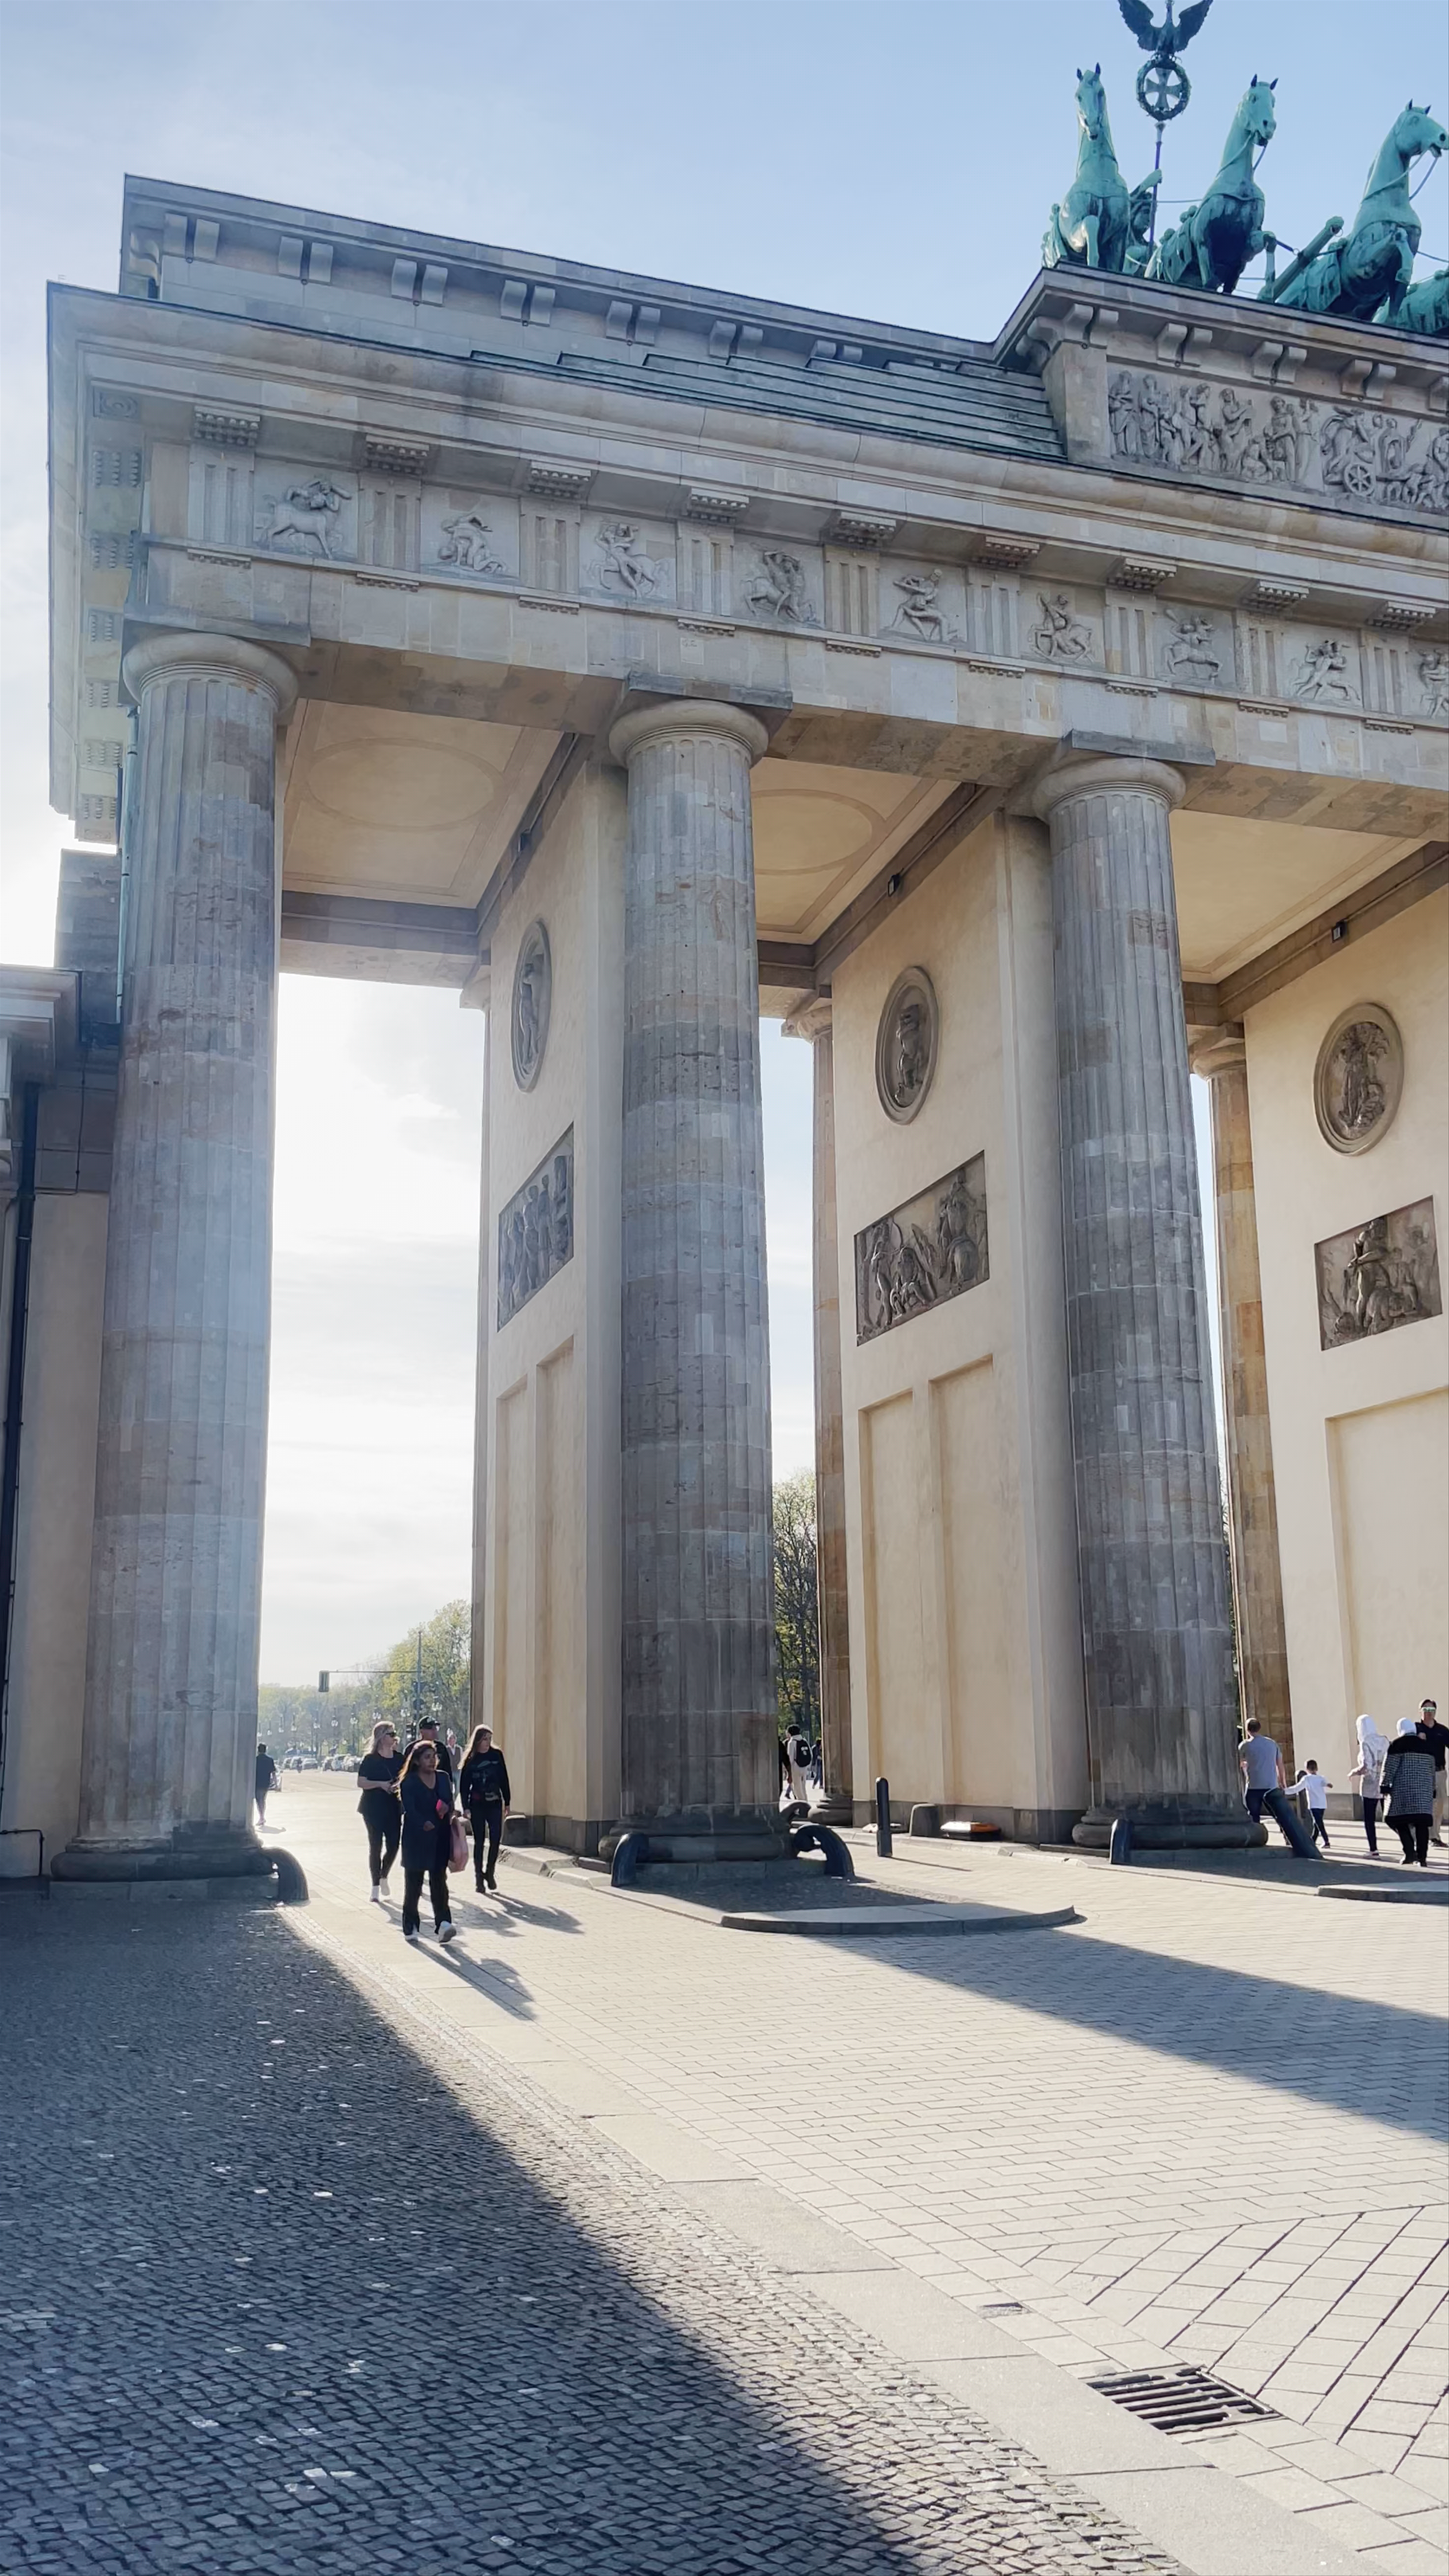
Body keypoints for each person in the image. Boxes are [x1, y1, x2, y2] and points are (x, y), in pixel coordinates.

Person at [397, 1736, 459, 1941]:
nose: (432, 1761)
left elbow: (449, 1801)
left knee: (439, 1882)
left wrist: (448, 1809)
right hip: (416, 1838)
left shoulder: (442, 1778)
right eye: (427, 1757)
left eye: (434, 1757)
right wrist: (423, 1823)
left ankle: (443, 1924)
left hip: (439, 1837)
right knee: (414, 1884)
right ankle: (411, 1926)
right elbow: (410, 1810)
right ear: (417, 1761)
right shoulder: (409, 1781)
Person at [459, 1724, 511, 1894]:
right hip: (477, 1804)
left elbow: (504, 1778)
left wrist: (508, 1801)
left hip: (495, 1802)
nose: (488, 1742)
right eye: (485, 1739)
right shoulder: (471, 1760)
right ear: (478, 1740)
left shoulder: (497, 1756)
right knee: (480, 1841)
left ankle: (490, 1872)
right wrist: (466, 1807)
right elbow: (464, 1786)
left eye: (490, 1739)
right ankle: (478, 1878)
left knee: (496, 1839)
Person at [357, 1719, 403, 1902]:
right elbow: (361, 1782)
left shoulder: (400, 1759)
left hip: (393, 1806)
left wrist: (397, 1786)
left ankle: (384, 1875)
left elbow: (406, 1777)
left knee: (394, 1845)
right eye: (390, 1734)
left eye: (394, 1734)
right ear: (381, 1737)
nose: (394, 1737)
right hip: (372, 1808)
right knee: (376, 1846)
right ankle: (375, 1886)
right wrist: (381, 1785)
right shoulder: (371, 1759)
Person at [1237, 1716, 1301, 1847]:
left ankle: (1256, 1840)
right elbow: (1280, 1765)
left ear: (1247, 1730)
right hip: (1271, 1786)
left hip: (1254, 1786)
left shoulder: (1245, 1745)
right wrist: (1283, 1782)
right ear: (1260, 1728)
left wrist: (1245, 1764)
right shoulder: (1272, 1744)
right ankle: (1288, 1837)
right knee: (1279, 1815)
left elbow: (1238, 1763)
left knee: (1254, 1815)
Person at [1380, 1717, 1436, 1867]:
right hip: (1424, 1794)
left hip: (1402, 1793)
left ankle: (1410, 1852)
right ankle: (1422, 1858)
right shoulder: (1428, 1747)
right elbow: (1433, 1771)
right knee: (1422, 1825)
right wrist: (1433, 1789)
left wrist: (1384, 1786)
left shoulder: (1397, 1745)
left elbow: (1389, 1768)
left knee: (1394, 1819)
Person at [1348, 1714, 1388, 1856]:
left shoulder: (1366, 1743)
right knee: (1390, 1816)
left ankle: (1373, 1849)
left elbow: (1366, 1767)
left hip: (1370, 1785)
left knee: (1370, 1819)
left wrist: (1353, 1773)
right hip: (1384, 1783)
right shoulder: (1384, 1740)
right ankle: (1409, 1843)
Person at [1416, 1699, 1447, 1846]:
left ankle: (1435, 1836)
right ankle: (1424, 1837)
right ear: (1420, 1711)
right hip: (1423, 1773)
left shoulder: (1442, 1730)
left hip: (1440, 1772)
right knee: (1426, 1805)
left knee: (1440, 1804)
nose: (1429, 1713)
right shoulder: (1416, 1729)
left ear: (1435, 1712)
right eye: (1426, 1710)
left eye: (1431, 1710)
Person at [1290, 1759, 1332, 1848]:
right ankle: (1312, 1841)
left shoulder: (1307, 1779)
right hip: (1322, 1804)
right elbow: (1325, 1784)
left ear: (1307, 1769)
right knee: (1316, 1823)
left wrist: (1286, 1791)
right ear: (1317, 1768)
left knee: (1319, 1823)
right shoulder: (1321, 1778)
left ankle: (1327, 1841)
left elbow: (1297, 1789)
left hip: (1314, 1805)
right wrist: (1328, 1785)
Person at [403, 1714, 454, 1783]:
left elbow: (447, 1769)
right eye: (430, 1729)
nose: (434, 1731)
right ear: (422, 1731)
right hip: (417, 1785)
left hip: (438, 1786)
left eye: (436, 1728)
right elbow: (406, 1771)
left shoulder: (441, 1748)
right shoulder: (412, 1748)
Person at [254, 1743, 277, 1828]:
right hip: (266, 1783)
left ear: (258, 1750)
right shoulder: (270, 1760)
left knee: (259, 1800)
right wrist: (276, 1784)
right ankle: (262, 1816)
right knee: (263, 1800)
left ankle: (262, 1817)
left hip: (257, 1782)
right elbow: (274, 1773)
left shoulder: (255, 1760)